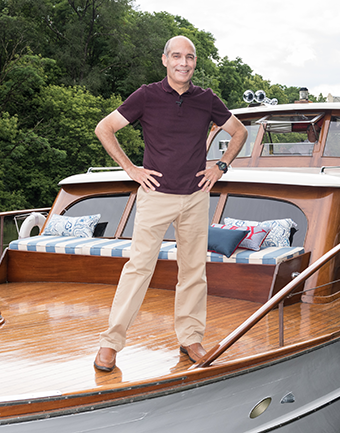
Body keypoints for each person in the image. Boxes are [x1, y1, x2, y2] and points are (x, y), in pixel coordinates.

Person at [92, 35, 247, 372]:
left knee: (193, 272)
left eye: (189, 57)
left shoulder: (207, 100)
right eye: (176, 56)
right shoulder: (146, 96)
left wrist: (220, 167)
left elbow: (238, 132)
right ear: (165, 60)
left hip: (195, 197)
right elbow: (104, 128)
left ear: (195, 62)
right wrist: (131, 169)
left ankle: (190, 338)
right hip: (156, 197)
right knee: (138, 269)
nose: (183, 63)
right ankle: (110, 343)